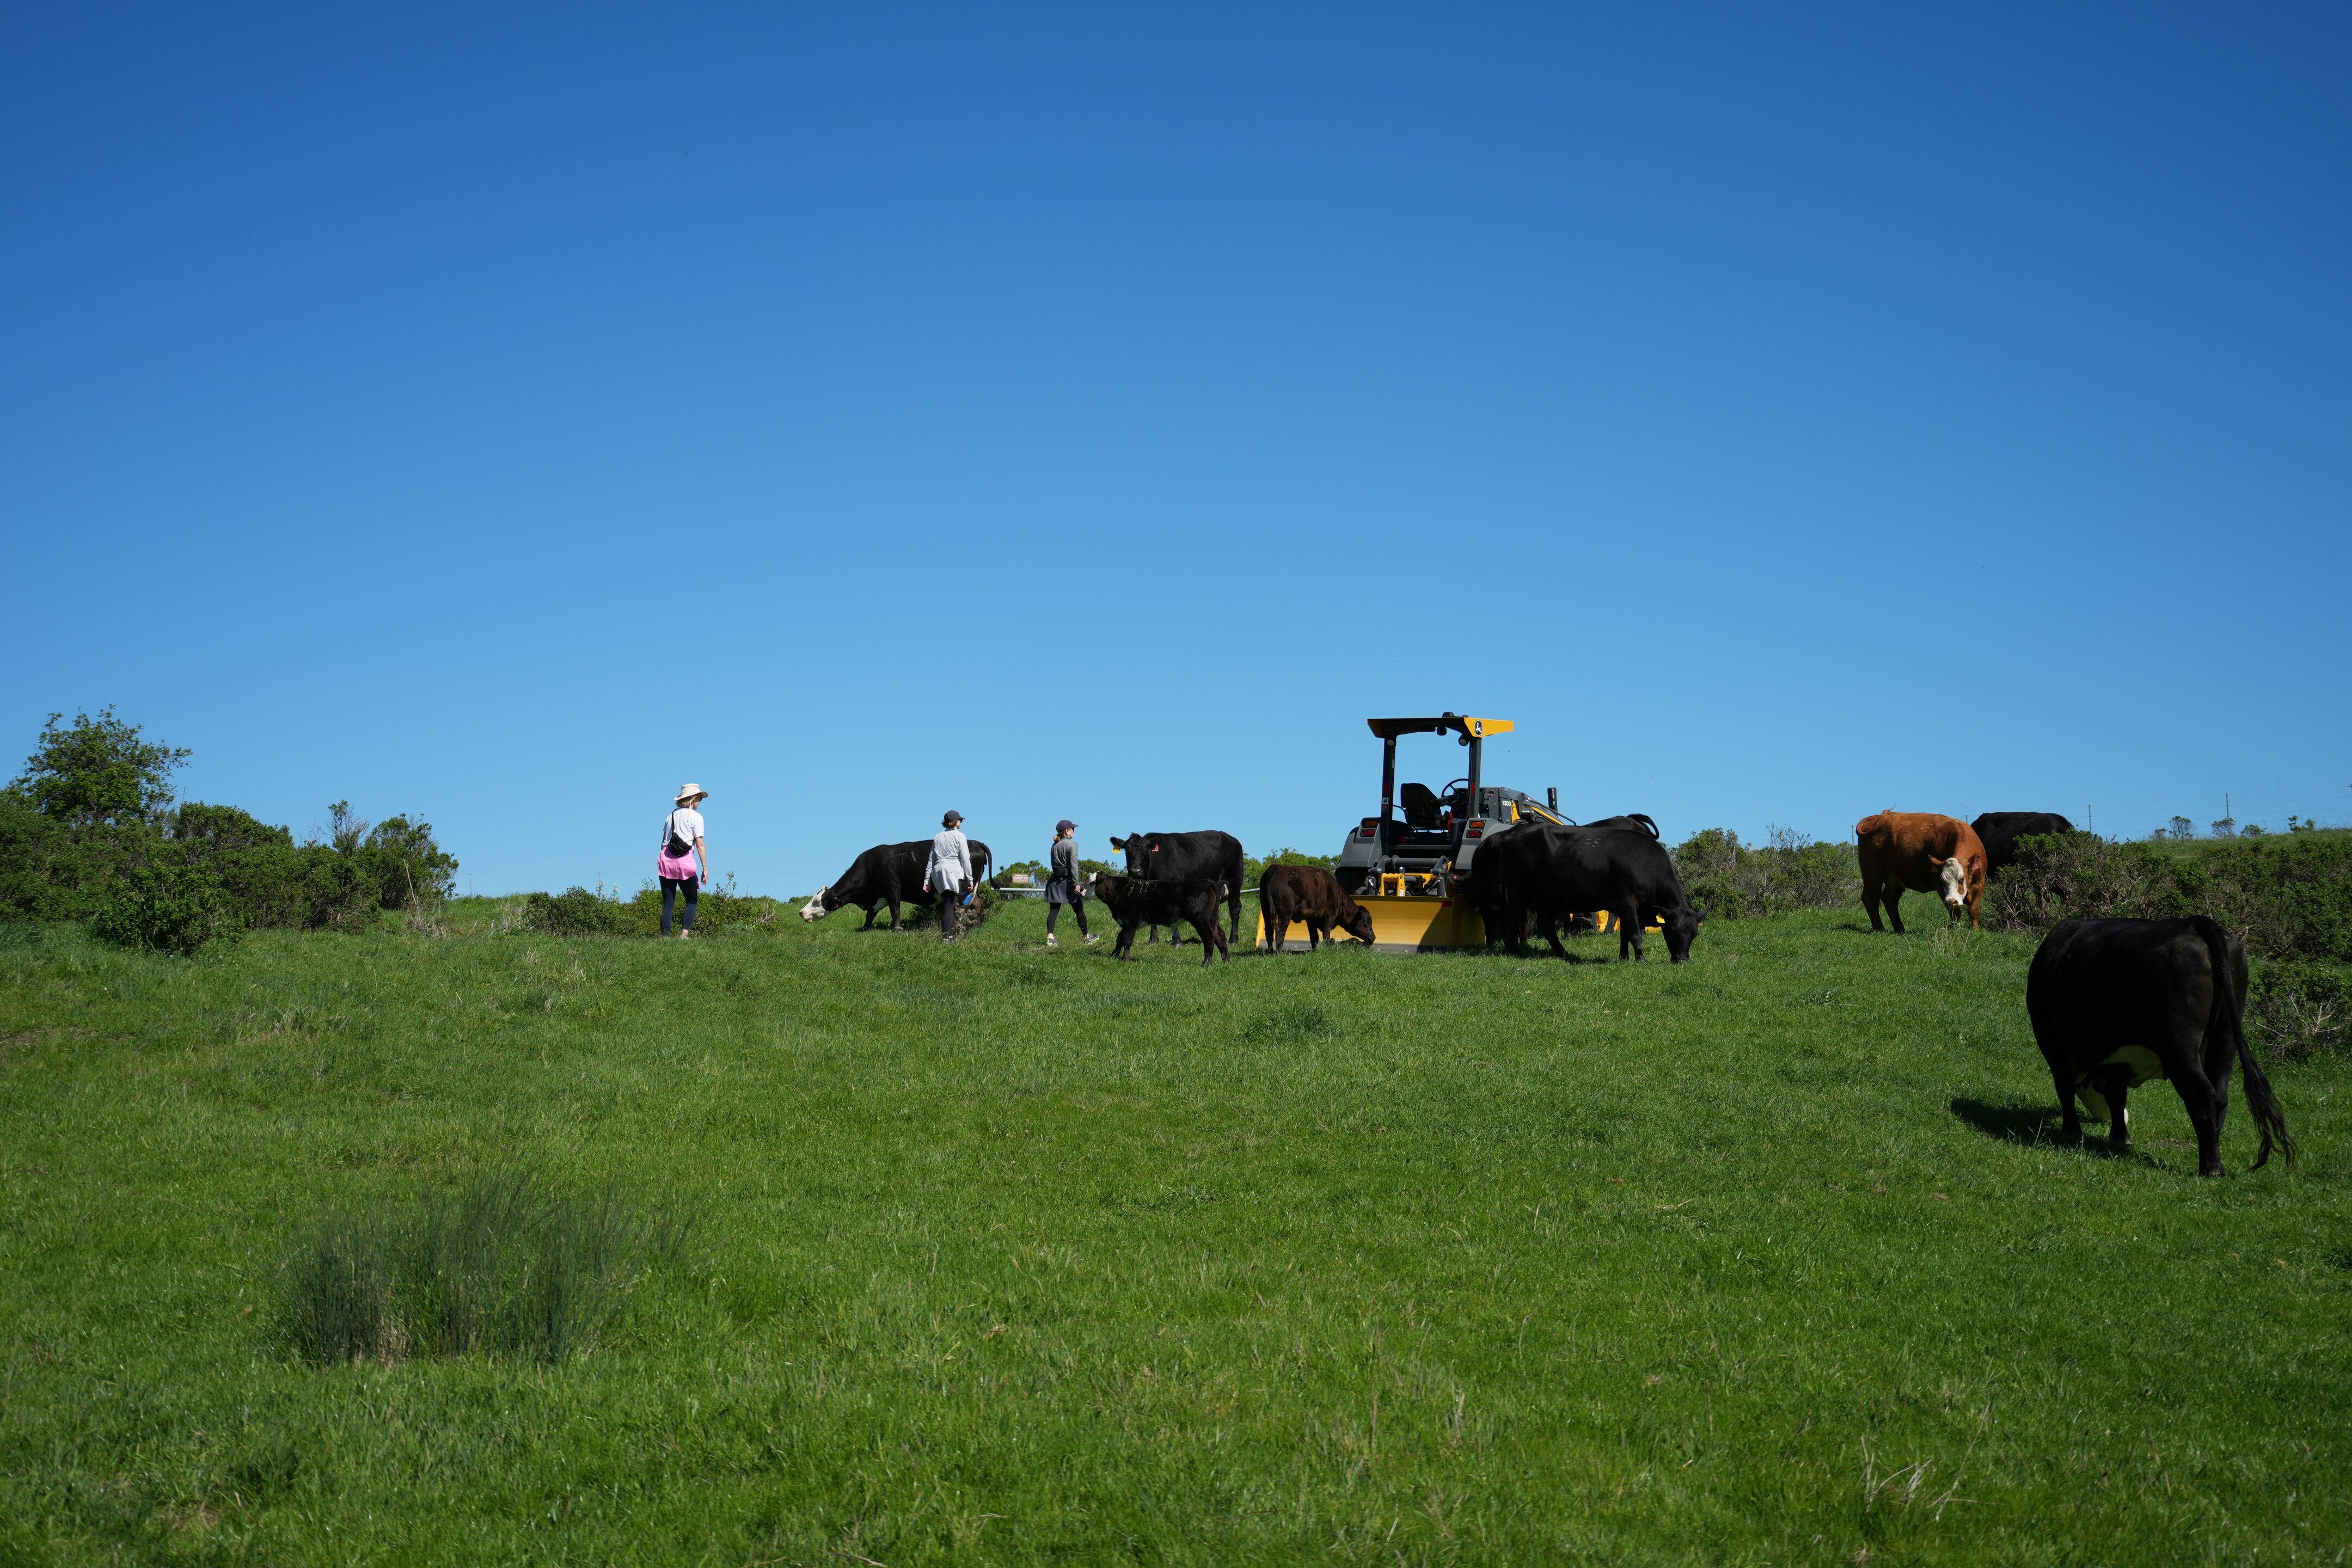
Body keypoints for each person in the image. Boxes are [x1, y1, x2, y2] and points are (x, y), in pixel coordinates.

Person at [656, 783, 709, 939]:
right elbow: (699, 844)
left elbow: (663, 842)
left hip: (666, 860)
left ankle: (665, 938)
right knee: (692, 901)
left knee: (668, 903)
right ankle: (684, 935)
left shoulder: (670, 816)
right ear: (692, 799)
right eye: (699, 798)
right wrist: (705, 868)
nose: (700, 801)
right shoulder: (696, 817)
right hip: (684, 862)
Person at [1044, 818, 1096, 947]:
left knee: (1054, 911)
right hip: (1068, 882)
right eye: (1073, 829)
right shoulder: (1072, 845)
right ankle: (1087, 937)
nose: (1074, 831)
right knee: (1079, 910)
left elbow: (1054, 865)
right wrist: (1076, 884)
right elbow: (1073, 866)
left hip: (1055, 881)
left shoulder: (1054, 845)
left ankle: (1050, 938)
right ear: (1067, 831)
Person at [923, 809, 972, 941]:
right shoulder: (960, 836)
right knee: (950, 906)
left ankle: (949, 936)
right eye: (960, 820)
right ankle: (946, 939)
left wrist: (927, 881)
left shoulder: (938, 836)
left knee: (947, 904)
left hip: (938, 873)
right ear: (956, 822)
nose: (961, 822)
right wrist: (970, 879)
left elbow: (930, 860)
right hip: (953, 871)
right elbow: (965, 859)